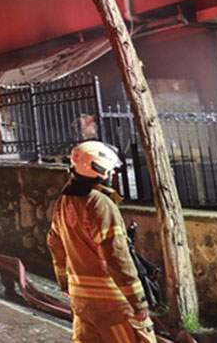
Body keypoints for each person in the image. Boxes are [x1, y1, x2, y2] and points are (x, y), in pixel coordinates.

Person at [46, 141, 155, 343]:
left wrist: (65, 282)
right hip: (111, 300)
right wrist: (138, 303)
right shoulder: (99, 203)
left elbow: (54, 242)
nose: (112, 175)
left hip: (82, 299)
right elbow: (116, 255)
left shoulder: (65, 200)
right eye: (111, 170)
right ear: (100, 168)